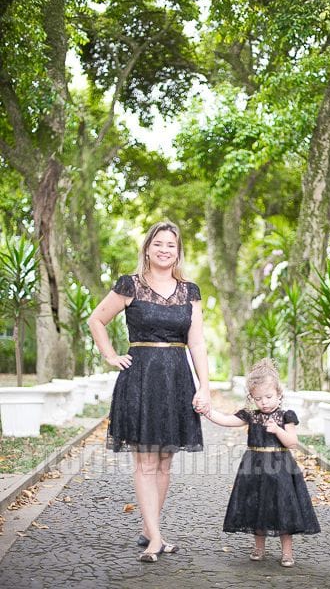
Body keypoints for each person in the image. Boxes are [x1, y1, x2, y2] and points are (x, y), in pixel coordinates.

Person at [88, 221, 211, 563]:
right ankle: (156, 538)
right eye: (158, 243)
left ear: (178, 251)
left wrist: (205, 386)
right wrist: (110, 355)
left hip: (176, 380)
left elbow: (197, 341)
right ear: (147, 248)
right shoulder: (130, 285)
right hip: (140, 378)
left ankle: (148, 528)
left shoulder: (190, 291)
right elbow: (96, 320)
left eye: (171, 245)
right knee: (145, 460)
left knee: (164, 461)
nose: (164, 250)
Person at [201, 357, 320, 567]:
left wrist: (278, 430)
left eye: (268, 396)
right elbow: (227, 420)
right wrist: (208, 412)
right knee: (256, 506)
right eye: (258, 398)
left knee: (284, 507)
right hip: (254, 468)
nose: (264, 402)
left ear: (279, 394)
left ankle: (287, 552)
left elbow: (292, 442)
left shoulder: (286, 416)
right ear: (252, 398)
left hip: (280, 468)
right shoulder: (251, 416)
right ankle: (259, 547)